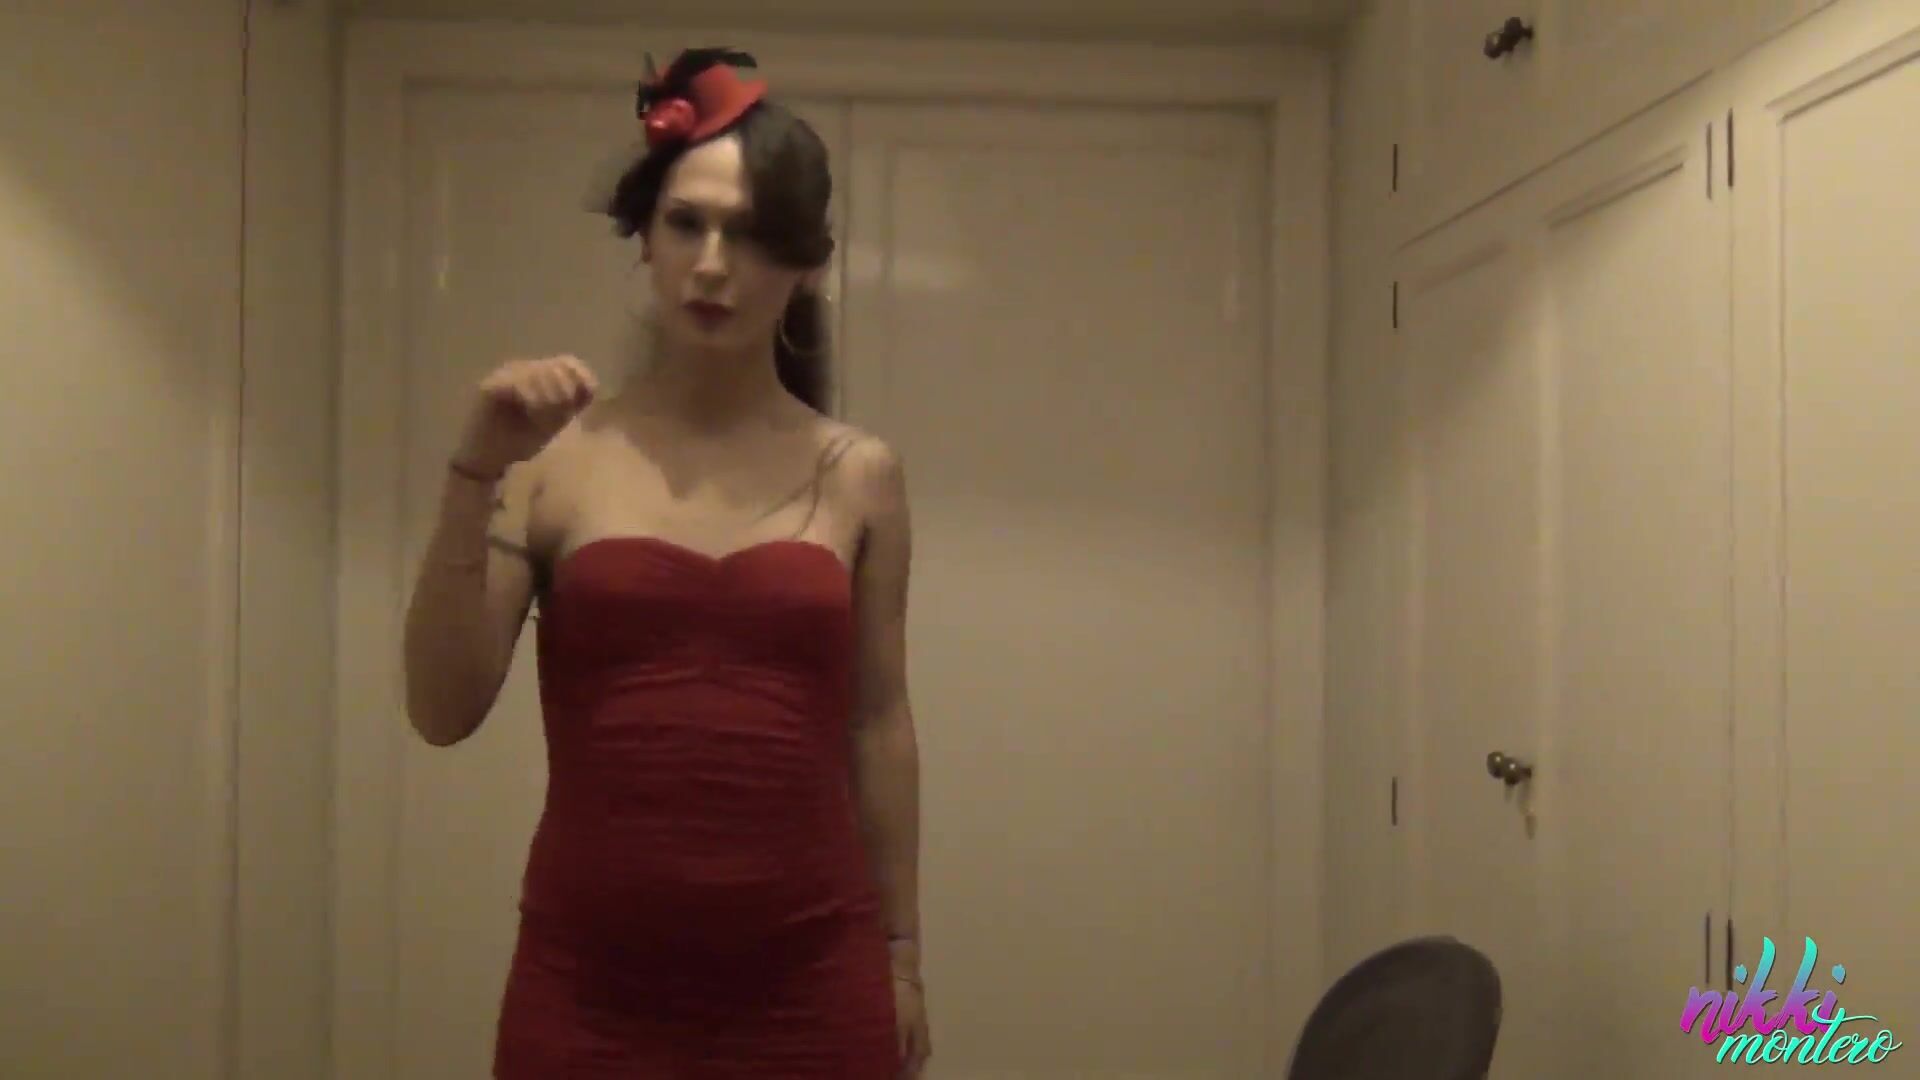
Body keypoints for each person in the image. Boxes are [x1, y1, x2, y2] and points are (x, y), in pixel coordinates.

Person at [399, 47, 931, 1078]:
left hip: (812, 984)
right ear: (644, 237)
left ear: (805, 263)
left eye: (752, 234)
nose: (714, 263)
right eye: (688, 223)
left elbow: (878, 721)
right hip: (588, 991)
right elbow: (440, 707)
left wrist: (902, 956)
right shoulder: (552, 458)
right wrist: (474, 468)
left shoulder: (861, 475)